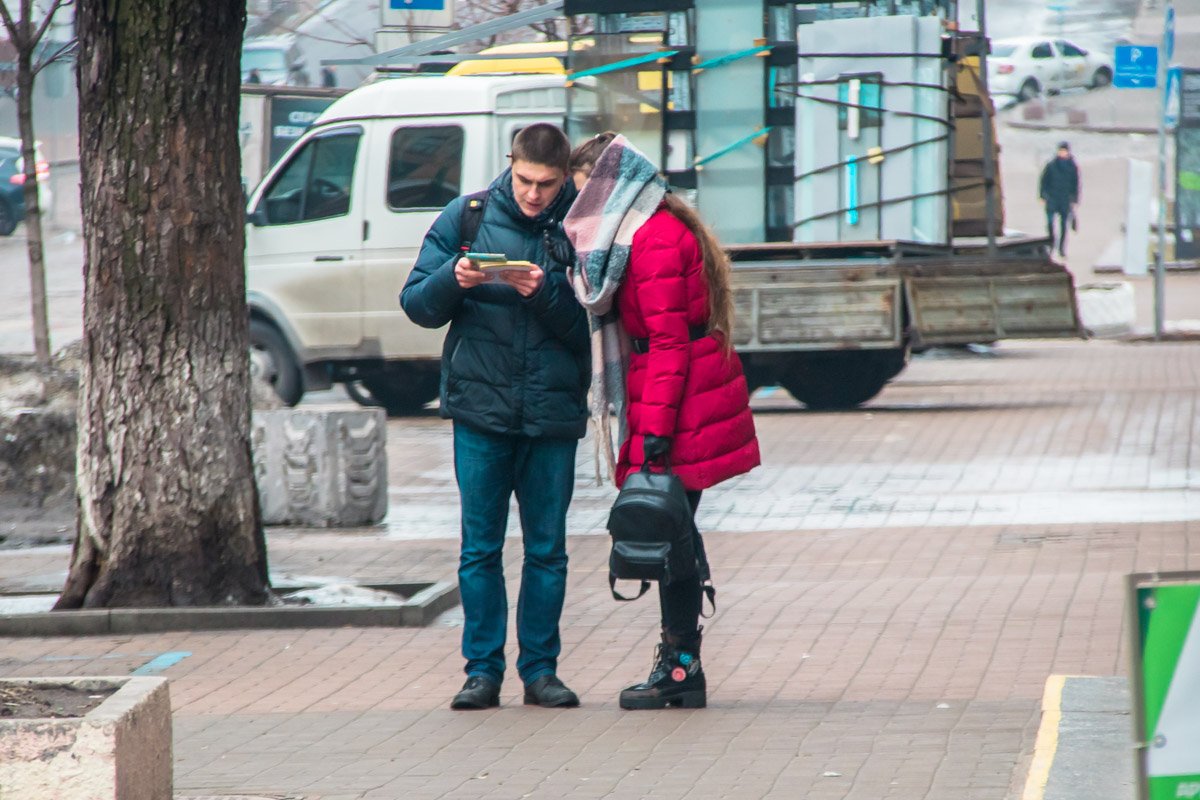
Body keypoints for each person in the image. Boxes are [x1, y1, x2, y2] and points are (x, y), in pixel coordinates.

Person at [564, 132, 760, 710]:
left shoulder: (650, 242)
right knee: (675, 534)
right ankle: (680, 664)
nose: (585, 214)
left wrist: (653, 437)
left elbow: (669, 344)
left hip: (678, 405)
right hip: (684, 397)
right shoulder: (657, 226)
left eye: (587, 198)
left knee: (668, 535)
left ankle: (680, 668)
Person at [401, 123, 589, 711]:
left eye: (547, 183)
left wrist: (546, 293)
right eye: (526, 180)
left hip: (552, 414)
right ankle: (481, 672)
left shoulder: (582, 228)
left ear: (564, 178)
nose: (534, 194)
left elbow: (596, 332)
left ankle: (541, 672)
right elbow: (415, 305)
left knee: (547, 551)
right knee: (479, 550)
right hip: (481, 412)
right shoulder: (469, 216)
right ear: (510, 164)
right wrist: (453, 280)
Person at [1040, 141, 1080, 257]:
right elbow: (1044, 181)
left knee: (1064, 226)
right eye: (1061, 151)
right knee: (1050, 223)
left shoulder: (1072, 167)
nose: (1062, 153)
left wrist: (1074, 198)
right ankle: (1051, 244)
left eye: (1064, 151)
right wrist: (1043, 195)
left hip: (1065, 200)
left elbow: (1076, 184)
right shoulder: (1051, 165)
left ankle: (1061, 248)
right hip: (1052, 198)